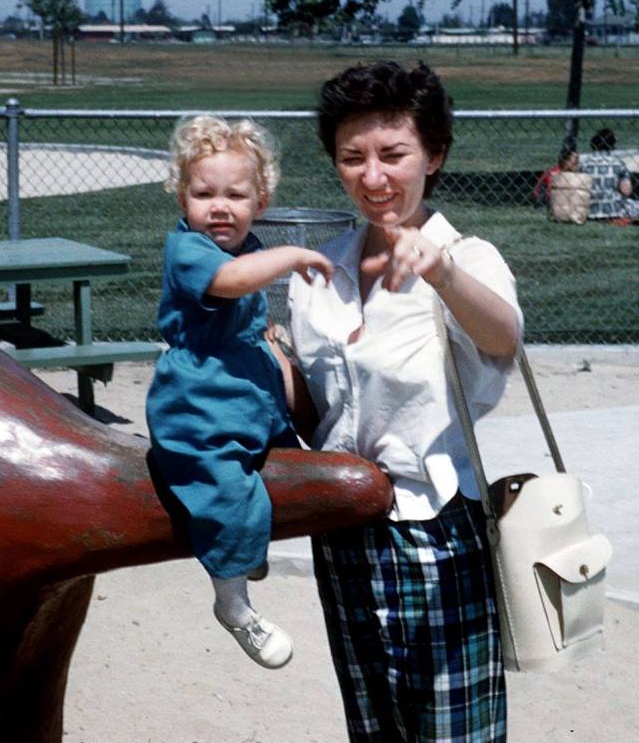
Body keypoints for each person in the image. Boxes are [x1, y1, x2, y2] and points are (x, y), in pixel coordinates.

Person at [285, 61, 523, 742]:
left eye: (393, 154)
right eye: (352, 156)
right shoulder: (318, 270)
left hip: (435, 530)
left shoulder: (466, 256)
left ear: (434, 154)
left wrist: (441, 272)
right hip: (343, 529)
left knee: (455, 732)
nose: (373, 175)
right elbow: (317, 414)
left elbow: (503, 335)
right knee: (373, 726)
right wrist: (262, 358)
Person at [145, 115, 333, 670]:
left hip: (249, 390)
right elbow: (232, 283)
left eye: (235, 194)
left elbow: (248, 311)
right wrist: (295, 255)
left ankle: (245, 545)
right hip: (201, 403)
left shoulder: (242, 246)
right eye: (204, 194)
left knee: (297, 470)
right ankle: (234, 605)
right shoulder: (189, 252)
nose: (219, 206)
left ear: (261, 199)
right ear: (183, 197)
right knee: (227, 489)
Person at [579, 127, 639, 221]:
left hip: (589, 209)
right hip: (614, 209)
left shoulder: (584, 164)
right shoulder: (618, 163)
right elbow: (626, 191)